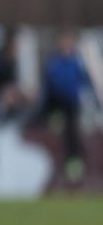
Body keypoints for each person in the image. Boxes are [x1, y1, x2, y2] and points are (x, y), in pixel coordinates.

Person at [31, 29, 91, 184]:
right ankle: (54, 119)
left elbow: (84, 84)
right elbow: (49, 87)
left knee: (71, 132)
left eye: (69, 40)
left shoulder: (78, 62)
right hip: (56, 102)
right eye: (65, 40)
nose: (67, 43)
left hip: (71, 104)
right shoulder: (54, 63)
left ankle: (73, 161)